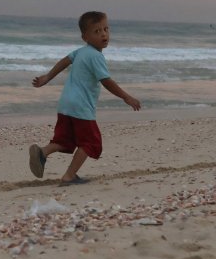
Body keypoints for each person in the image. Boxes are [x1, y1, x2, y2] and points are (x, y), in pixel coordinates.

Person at [28, 11, 141, 185]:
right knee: (90, 142)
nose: (103, 34)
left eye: (106, 29)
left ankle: (42, 152)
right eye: (97, 31)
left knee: (65, 140)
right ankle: (69, 176)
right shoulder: (96, 56)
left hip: (66, 105)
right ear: (85, 37)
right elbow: (106, 81)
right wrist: (126, 97)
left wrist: (48, 77)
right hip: (81, 107)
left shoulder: (81, 52)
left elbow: (65, 60)